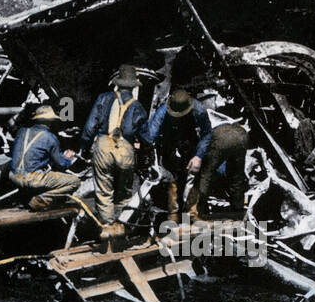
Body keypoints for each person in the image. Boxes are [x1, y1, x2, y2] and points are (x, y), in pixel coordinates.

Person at [79, 64, 148, 235]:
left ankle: (107, 228)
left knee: (104, 192)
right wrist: (145, 153)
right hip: (126, 149)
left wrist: (84, 148)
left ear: (117, 83)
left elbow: (89, 128)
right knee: (124, 193)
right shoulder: (138, 106)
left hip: (103, 146)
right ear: (133, 86)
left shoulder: (103, 98)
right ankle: (121, 226)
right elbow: (146, 137)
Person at [141, 89, 212, 225]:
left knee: (192, 177)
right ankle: (171, 213)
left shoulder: (199, 110)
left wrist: (198, 156)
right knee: (170, 177)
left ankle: (189, 215)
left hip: (189, 142)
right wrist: (151, 158)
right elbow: (149, 137)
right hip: (169, 142)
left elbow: (207, 134)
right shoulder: (162, 112)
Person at [9, 105, 81, 210]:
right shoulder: (50, 138)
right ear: (50, 120)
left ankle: (23, 198)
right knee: (75, 181)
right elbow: (61, 164)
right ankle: (41, 200)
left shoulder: (22, 131)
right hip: (30, 179)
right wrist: (68, 158)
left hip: (13, 176)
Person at [186, 122, 250, 221]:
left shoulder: (210, 134)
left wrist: (198, 156)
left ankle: (198, 208)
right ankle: (237, 209)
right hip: (242, 137)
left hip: (224, 138)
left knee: (205, 174)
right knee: (236, 176)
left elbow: (204, 146)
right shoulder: (227, 127)